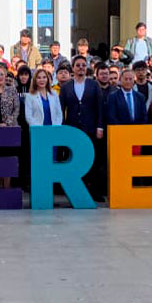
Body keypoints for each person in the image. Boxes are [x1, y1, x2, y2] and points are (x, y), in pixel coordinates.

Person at [61, 55, 106, 201]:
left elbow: (100, 107)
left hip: (91, 128)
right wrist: (62, 127)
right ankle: (76, 191)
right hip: (73, 128)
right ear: (72, 68)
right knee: (75, 159)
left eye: (83, 65)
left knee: (92, 160)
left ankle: (93, 190)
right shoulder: (66, 87)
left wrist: (100, 126)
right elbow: (62, 109)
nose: (81, 68)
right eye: (78, 65)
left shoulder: (94, 85)